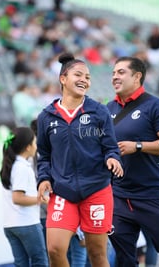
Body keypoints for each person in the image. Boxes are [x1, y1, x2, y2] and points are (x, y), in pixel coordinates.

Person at [36, 52, 123, 267]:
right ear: (63, 79)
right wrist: (43, 179)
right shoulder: (46, 117)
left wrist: (113, 158)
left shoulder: (99, 112)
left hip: (96, 191)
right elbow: (44, 156)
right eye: (78, 74)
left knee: (97, 254)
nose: (84, 79)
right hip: (62, 192)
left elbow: (111, 147)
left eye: (88, 76)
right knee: (55, 250)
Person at [106, 56, 159, 267]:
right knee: (124, 258)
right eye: (114, 72)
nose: (115, 76)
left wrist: (138, 146)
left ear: (137, 76)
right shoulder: (108, 109)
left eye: (121, 72)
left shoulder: (155, 105)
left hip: (152, 194)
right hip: (119, 196)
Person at [0, 127, 48, 267]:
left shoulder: (10, 165)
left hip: (10, 225)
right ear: (28, 147)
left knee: (21, 263)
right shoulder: (22, 168)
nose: (36, 146)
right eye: (34, 143)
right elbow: (18, 198)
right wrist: (41, 199)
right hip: (27, 223)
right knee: (40, 261)